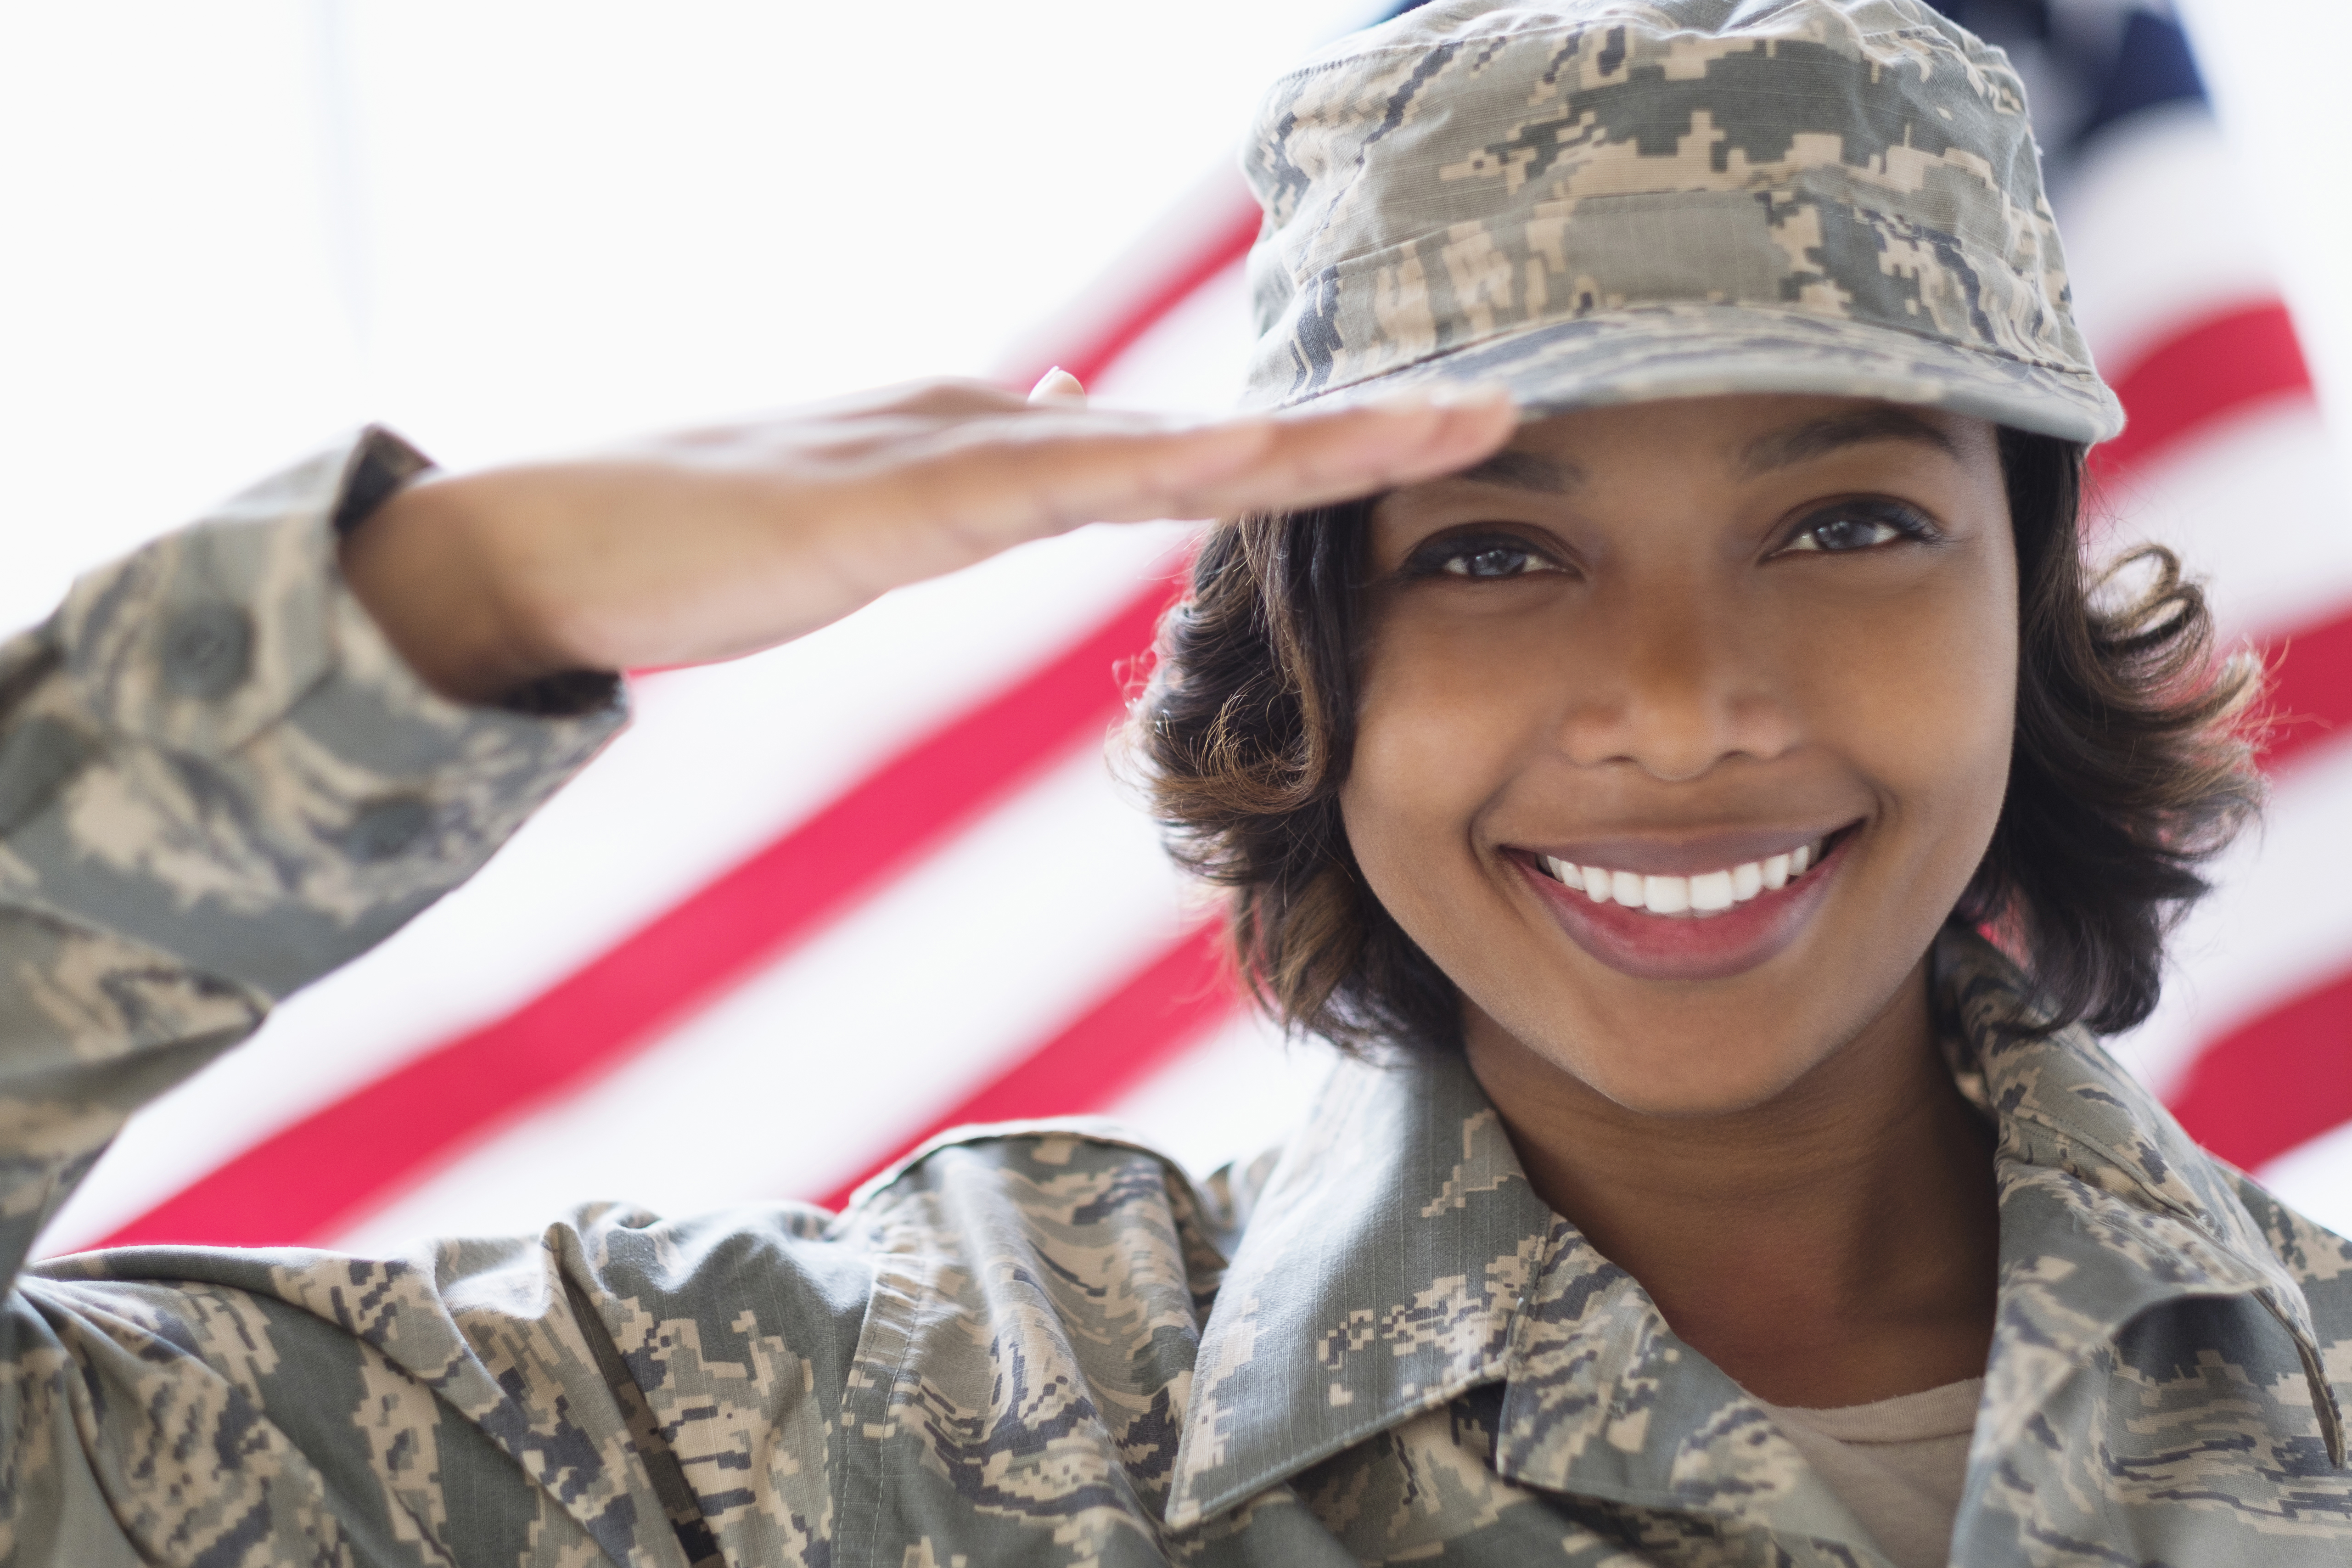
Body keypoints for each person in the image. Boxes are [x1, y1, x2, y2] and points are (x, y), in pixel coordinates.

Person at [0, 1, 2344, 1565]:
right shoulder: (865, 1426)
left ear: (2028, 609)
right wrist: (446, 597)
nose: (1681, 698)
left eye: (1846, 521)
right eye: (1493, 546)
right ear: (1306, 668)